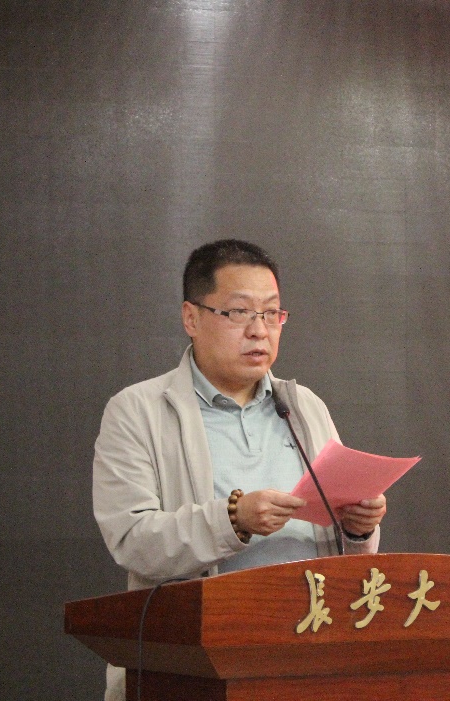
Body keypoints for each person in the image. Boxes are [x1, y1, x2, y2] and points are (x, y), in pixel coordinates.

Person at [92, 239, 386, 701]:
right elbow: (132, 541)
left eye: (271, 314)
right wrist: (234, 519)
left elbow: (345, 556)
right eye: (239, 313)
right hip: (198, 668)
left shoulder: (304, 406)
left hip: (311, 660)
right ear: (191, 318)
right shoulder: (138, 411)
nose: (259, 331)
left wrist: (358, 528)